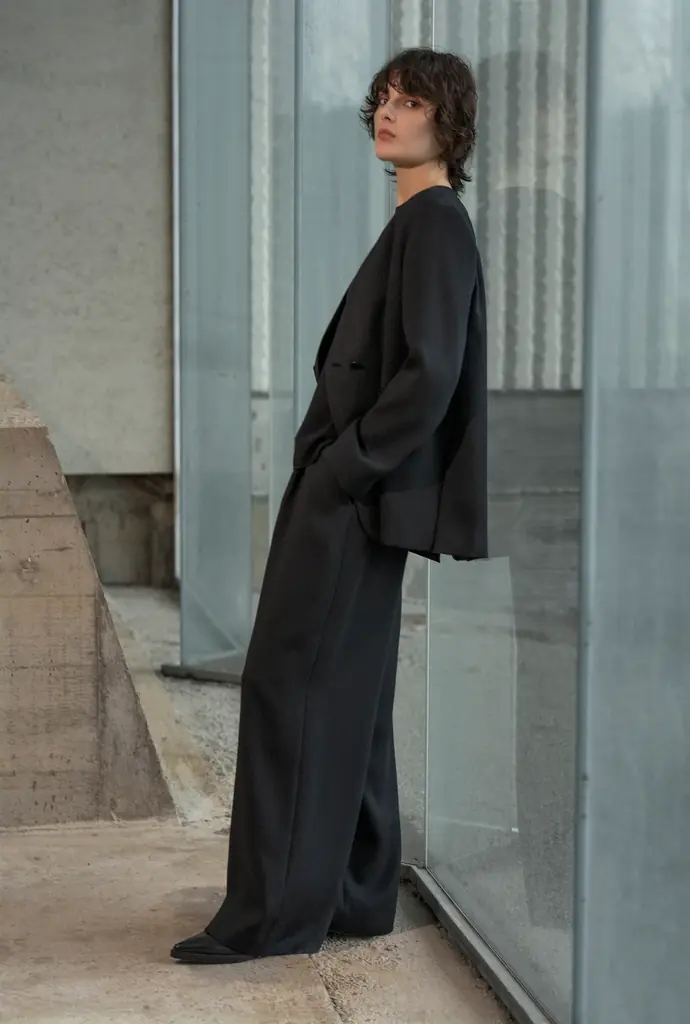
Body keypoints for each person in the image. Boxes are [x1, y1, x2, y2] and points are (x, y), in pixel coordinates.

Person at [171, 46, 488, 966]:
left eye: (411, 100)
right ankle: (355, 892)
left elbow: (431, 372)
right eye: (383, 97)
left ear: (448, 122)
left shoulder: (434, 224)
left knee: (289, 689)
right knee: (348, 695)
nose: (388, 110)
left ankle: (273, 917)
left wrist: (344, 469)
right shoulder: (422, 222)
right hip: (354, 494)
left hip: (351, 499)